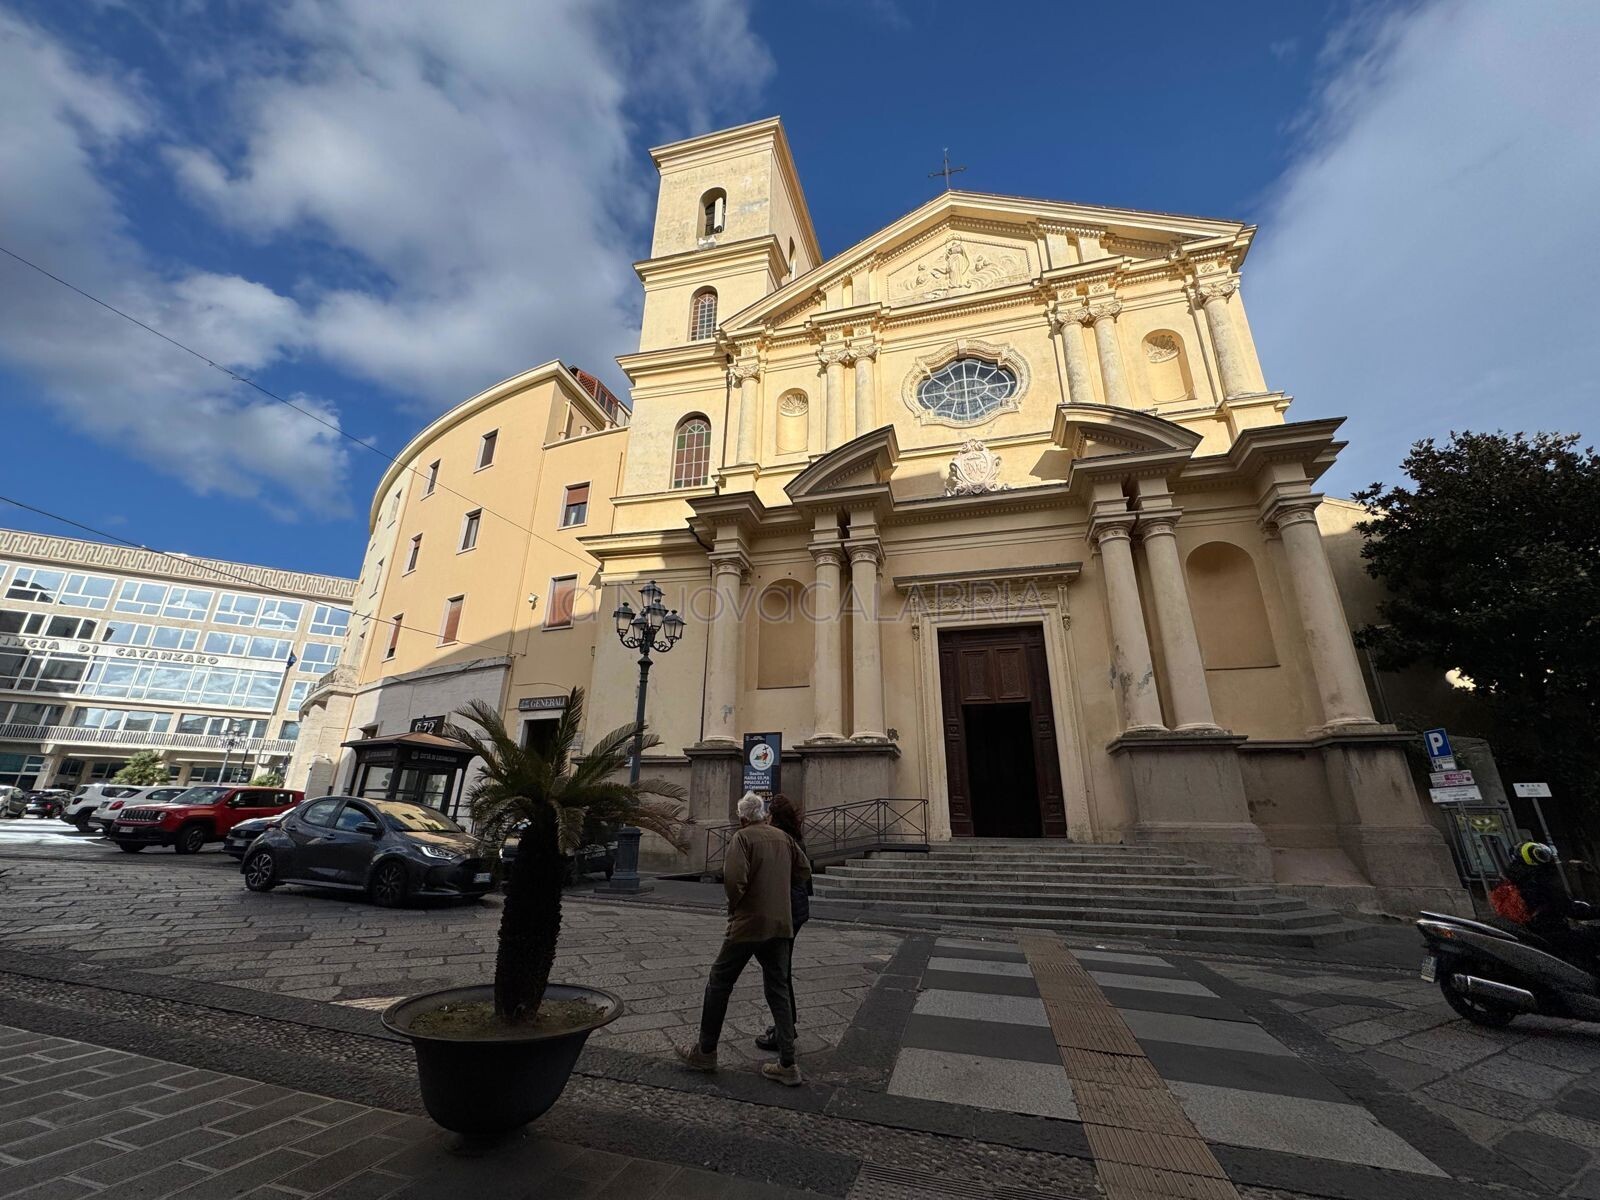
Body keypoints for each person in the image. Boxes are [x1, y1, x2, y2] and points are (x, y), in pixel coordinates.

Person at [678, 792, 812, 1085]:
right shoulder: (783, 838)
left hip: (749, 923)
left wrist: (736, 905)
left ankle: (706, 1052)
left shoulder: (742, 838)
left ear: (742, 818)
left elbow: (734, 879)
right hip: (780, 923)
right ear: (763, 813)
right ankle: (788, 1063)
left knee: (719, 981)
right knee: (778, 986)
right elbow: (804, 870)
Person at [755, 794, 810, 1053]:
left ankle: (784, 1034)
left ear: (774, 816)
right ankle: (787, 1025)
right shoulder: (796, 838)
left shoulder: (778, 840)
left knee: (777, 974)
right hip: (796, 909)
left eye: (769, 813)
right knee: (781, 971)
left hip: (783, 910)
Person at [1499, 841, 1600, 970]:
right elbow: (1571, 909)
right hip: (1556, 936)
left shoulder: (1512, 882)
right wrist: (1596, 911)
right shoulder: (1541, 882)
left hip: (1534, 936)